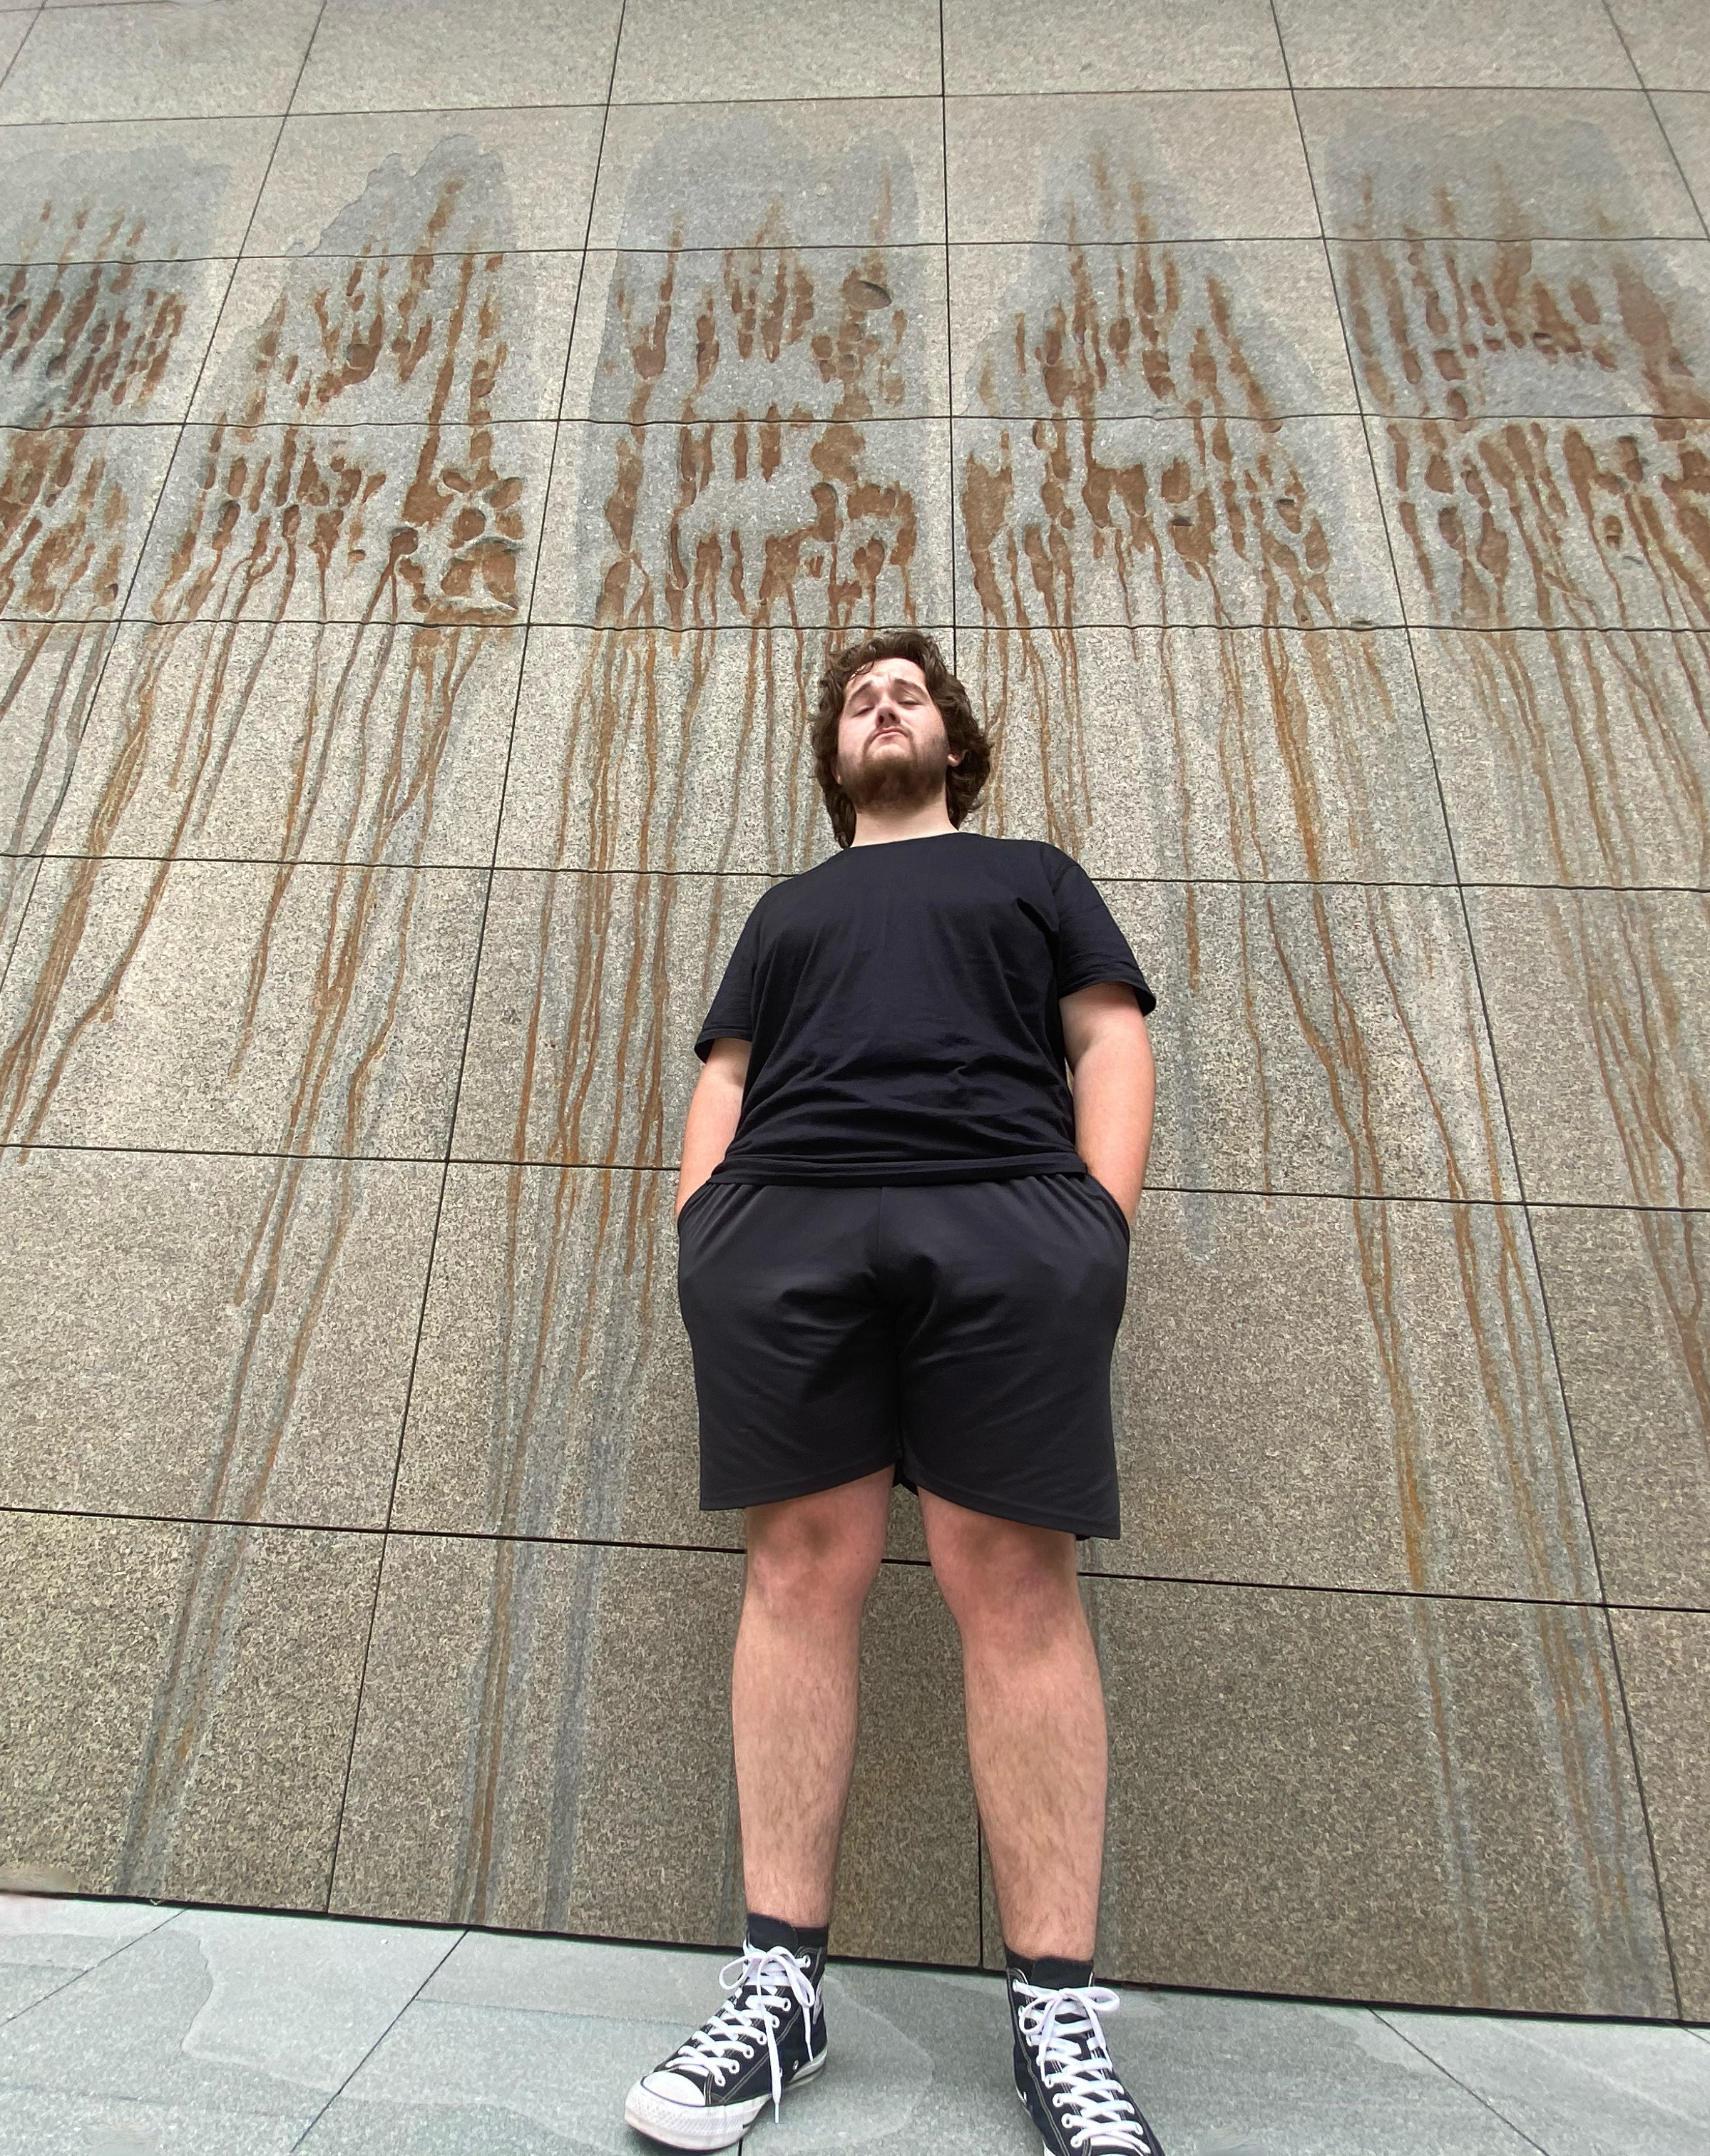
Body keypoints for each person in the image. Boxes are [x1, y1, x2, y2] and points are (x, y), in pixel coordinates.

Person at [624, 628, 1162, 2155]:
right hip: (784, 1222)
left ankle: (1057, 2017)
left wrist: (1096, 1231)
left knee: (1015, 1583)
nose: (884, 706)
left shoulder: (1036, 876)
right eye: (861, 696)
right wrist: (701, 1229)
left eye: (909, 691)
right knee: (801, 1573)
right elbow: (725, 1073)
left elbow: (1107, 1037)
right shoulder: (790, 910)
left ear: (954, 738)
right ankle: (779, 1990)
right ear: (834, 750)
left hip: (1007, 1215)